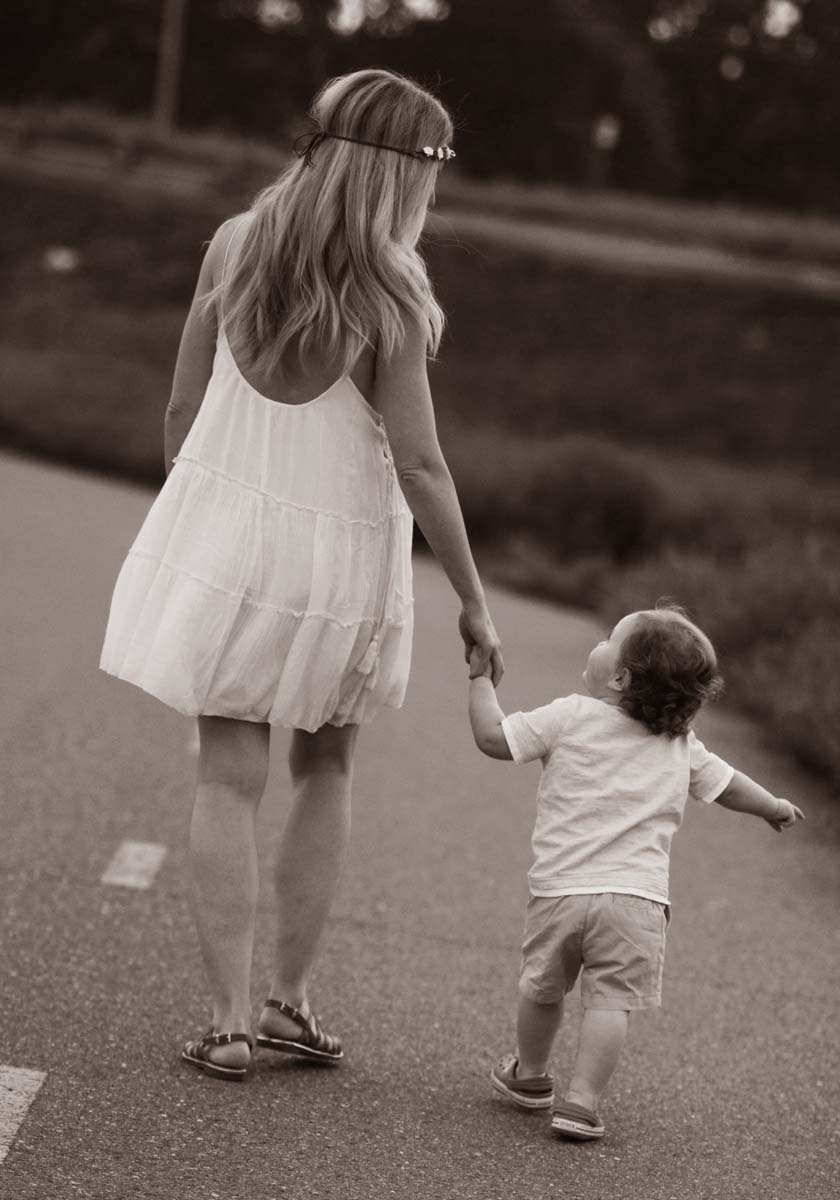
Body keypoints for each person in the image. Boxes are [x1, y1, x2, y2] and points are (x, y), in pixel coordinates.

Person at [100, 68, 502, 1082]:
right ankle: (290, 1000)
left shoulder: (234, 244)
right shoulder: (393, 289)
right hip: (343, 564)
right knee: (326, 768)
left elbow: (182, 409)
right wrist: (473, 599)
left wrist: (197, 528)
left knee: (225, 778)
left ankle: (227, 1023)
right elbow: (420, 465)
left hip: (231, 544)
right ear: (408, 176)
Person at [467, 602, 803, 1139]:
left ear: (620, 678)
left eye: (609, 638)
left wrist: (480, 681)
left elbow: (493, 738)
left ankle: (530, 1075)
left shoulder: (570, 715)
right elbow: (730, 786)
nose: (598, 642)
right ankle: (581, 1102)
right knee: (611, 1001)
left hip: (561, 892)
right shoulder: (681, 744)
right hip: (637, 902)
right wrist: (774, 806)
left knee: (543, 988)